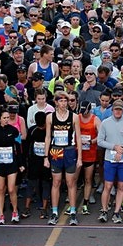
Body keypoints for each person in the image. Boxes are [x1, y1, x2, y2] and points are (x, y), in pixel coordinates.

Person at [43, 90, 83, 226]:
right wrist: (45, 157)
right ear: (56, 102)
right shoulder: (50, 117)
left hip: (70, 151)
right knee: (56, 182)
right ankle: (54, 212)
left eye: (66, 101)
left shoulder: (74, 117)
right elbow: (48, 137)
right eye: (61, 101)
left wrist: (79, 158)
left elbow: (78, 138)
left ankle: (73, 212)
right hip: (56, 151)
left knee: (71, 182)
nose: (64, 103)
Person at [97, 100, 123, 224]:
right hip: (110, 159)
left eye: (120, 109)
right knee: (108, 185)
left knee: (121, 186)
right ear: (112, 110)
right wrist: (114, 147)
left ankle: (116, 212)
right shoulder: (105, 123)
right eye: (116, 109)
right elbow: (100, 141)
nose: (118, 111)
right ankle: (104, 210)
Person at [0, 109, 25, 225]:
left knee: (11, 189)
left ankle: (15, 211)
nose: (6, 120)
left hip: (11, 163)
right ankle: (1, 214)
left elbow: (18, 148)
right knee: (0, 189)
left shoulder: (14, 130)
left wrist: (21, 164)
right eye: (4, 118)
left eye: (8, 118)